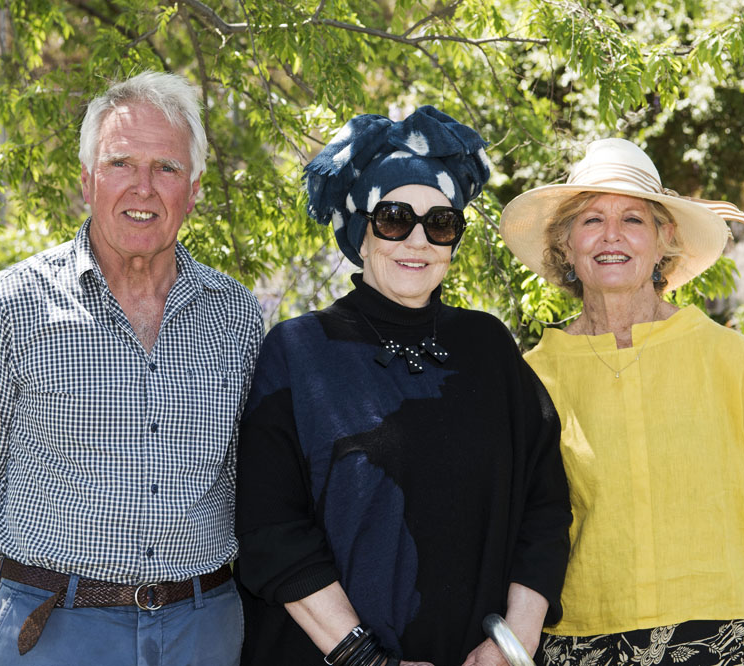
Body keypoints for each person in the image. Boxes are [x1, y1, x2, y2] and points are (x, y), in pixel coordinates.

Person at [0, 71, 263, 665]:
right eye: (120, 164)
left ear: (195, 189)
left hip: (204, 630)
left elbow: (255, 480)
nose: (143, 188)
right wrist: (22, 602)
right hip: (56, 629)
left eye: (167, 168)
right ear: (86, 181)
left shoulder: (237, 316)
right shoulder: (6, 306)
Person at [235, 106, 572, 666]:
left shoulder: (487, 347)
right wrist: (365, 660)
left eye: (440, 223)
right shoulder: (298, 352)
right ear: (359, 234)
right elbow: (271, 531)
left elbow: (546, 504)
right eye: (393, 218)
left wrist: (515, 642)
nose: (416, 241)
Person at [499, 138, 744, 665]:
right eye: (590, 221)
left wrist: (730, 596)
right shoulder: (533, 375)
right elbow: (520, 522)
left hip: (715, 629)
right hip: (579, 634)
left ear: (664, 239)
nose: (611, 236)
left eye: (632, 218)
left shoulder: (727, 355)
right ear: (565, 245)